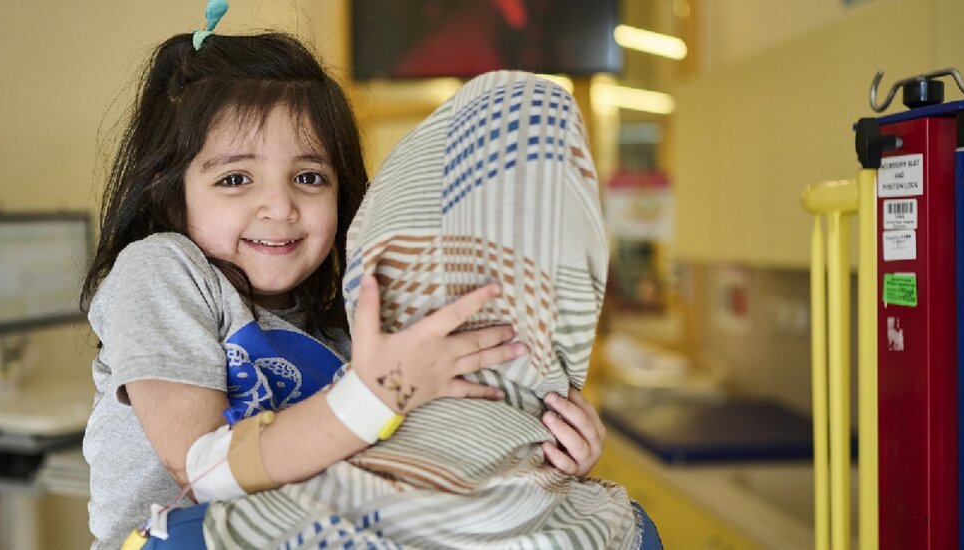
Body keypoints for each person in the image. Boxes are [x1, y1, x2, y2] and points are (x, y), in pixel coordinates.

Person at [80, 13, 609, 549]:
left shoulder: (346, 330)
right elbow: (198, 471)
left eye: (309, 177)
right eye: (235, 179)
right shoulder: (162, 270)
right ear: (172, 194)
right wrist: (376, 394)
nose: (280, 207)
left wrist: (552, 454)